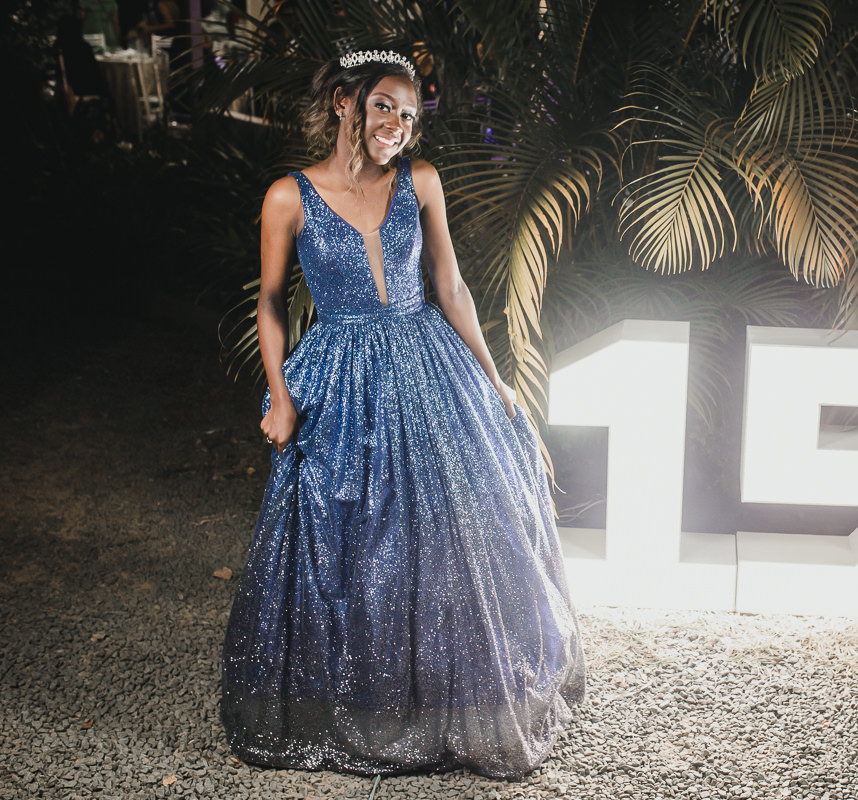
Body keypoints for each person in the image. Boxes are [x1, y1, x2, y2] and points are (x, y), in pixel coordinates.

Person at [220, 50, 586, 779]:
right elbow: (267, 303)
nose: (397, 123)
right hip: (340, 370)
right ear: (344, 103)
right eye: (385, 105)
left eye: (410, 115)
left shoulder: (420, 181)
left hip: (427, 359)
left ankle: (456, 703)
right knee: (347, 536)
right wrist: (281, 394)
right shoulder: (288, 197)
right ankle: (366, 702)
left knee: (455, 526)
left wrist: (495, 375)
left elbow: (450, 286)